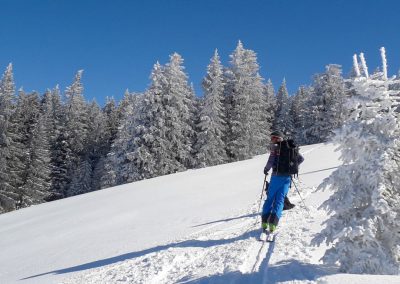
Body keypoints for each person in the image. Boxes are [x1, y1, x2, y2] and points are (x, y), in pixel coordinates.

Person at [261, 130, 304, 233]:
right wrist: (292, 166)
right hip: (287, 178)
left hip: (276, 177)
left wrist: (266, 169)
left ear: (278, 138)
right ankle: (273, 225)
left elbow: (271, 161)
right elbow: (301, 159)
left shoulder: (275, 148)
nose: (272, 140)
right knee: (280, 201)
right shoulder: (290, 147)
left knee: (270, 199)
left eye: (273, 138)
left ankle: (264, 223)